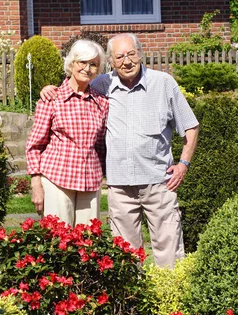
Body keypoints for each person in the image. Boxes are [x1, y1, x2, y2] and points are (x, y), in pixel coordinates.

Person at [41, 33, 199, 268]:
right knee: (125, 255)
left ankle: (170, 297)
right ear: (112, 63)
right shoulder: (100, 85)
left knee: (169, 249)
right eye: (119, 57)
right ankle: (134, 300)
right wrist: (49, 89)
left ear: (141, 54)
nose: (127, 61)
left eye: (131, 54)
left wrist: (183, 164)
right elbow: (75, 85)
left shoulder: (164, 83)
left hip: (159, 181)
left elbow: (190, 126)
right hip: (120, 186)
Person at [25, 39, 109, 227]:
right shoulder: (52, 99)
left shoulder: (102, 103)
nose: (87, 69)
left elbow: (101, 145)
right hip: (57, 179)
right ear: (72, 63)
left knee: (88, 242)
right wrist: (36, 184)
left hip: (90, 180)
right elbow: (35, 145)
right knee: (58, 241)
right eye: (82, 62)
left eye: (93, 64)